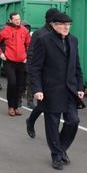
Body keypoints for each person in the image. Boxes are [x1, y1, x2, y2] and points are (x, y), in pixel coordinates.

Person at [29, 12, 85, 170]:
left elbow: (77, 66)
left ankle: (61, 149)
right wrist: (37, 89)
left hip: (70, 90)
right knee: (52, 125)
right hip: (51, 90)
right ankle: (56, 155)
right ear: (54, 25)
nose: (67, 27)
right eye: (63, 24)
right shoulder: (44, 41)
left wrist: (80, 86)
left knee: (73, 121)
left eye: (69, 24)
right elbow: (35, 68)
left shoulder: (73, 40)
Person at [25, 8, 60, 138]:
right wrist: (31, 72)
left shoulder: (59, 33)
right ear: (50, 20)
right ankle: (31, 121)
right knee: (43, 105)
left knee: (54, 106)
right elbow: (31, 53)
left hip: (57, 76)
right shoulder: (39, 34)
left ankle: (54, 135)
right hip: (43, 75)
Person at [0, 12, 31, 116]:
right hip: (9, 61)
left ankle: (16, 106)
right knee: (12, 83)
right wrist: (0, 53)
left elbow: (29, 44)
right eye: (16, 19)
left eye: (19, 19)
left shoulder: (24, 30)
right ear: (10, 20)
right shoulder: (6, 30)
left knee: (20, 85)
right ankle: (11, 107)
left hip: (21, 62)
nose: (18, 21)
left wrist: (26, 56)